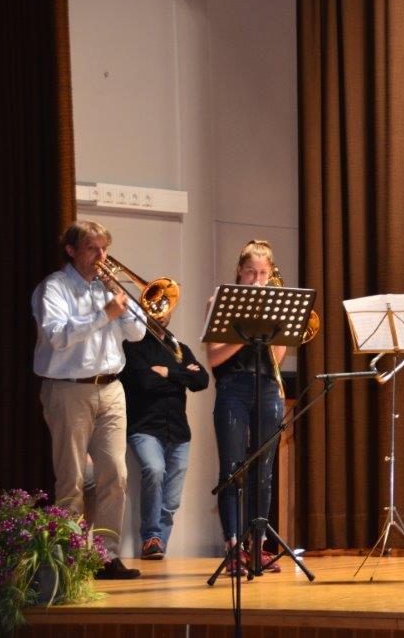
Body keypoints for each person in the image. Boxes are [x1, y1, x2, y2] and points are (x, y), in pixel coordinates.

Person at [32, 220, 146, 580]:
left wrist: (124, 305)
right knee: (72, 478)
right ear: (71, 250)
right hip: (69, 389)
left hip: (111, 388)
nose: (102, 256)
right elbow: (57, 336)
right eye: (93, 249)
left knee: (116, 474)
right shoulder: (54, 288)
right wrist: (103, 315)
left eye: (105, 249)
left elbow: (138, 333)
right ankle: (69, 558)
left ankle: (105, 555)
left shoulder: (106, 288)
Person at [206, 240, 286, 574]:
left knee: (263, 471)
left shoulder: (276, 304)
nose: (257, 279)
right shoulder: (220, 301)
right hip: (233, 388)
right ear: (239, 271)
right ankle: (233, 547)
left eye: (263, 273)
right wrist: (246, 333)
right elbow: (214, 358)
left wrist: (270, 327)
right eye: (251, 272)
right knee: (232, 469)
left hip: (266, 387)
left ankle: (257, 545)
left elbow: (278, 357)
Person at [120, 310, 208, 560]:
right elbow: (144, 383)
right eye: (154, 307)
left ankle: (157, 548)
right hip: (144, 427)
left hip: (179, 432)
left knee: (172, 500)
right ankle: (151, 537)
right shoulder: (132, 346)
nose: (160, 313)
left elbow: (201, 380)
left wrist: (168, 373)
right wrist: (183, 376)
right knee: (154, 469)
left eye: (165, 308)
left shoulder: (180, 348)